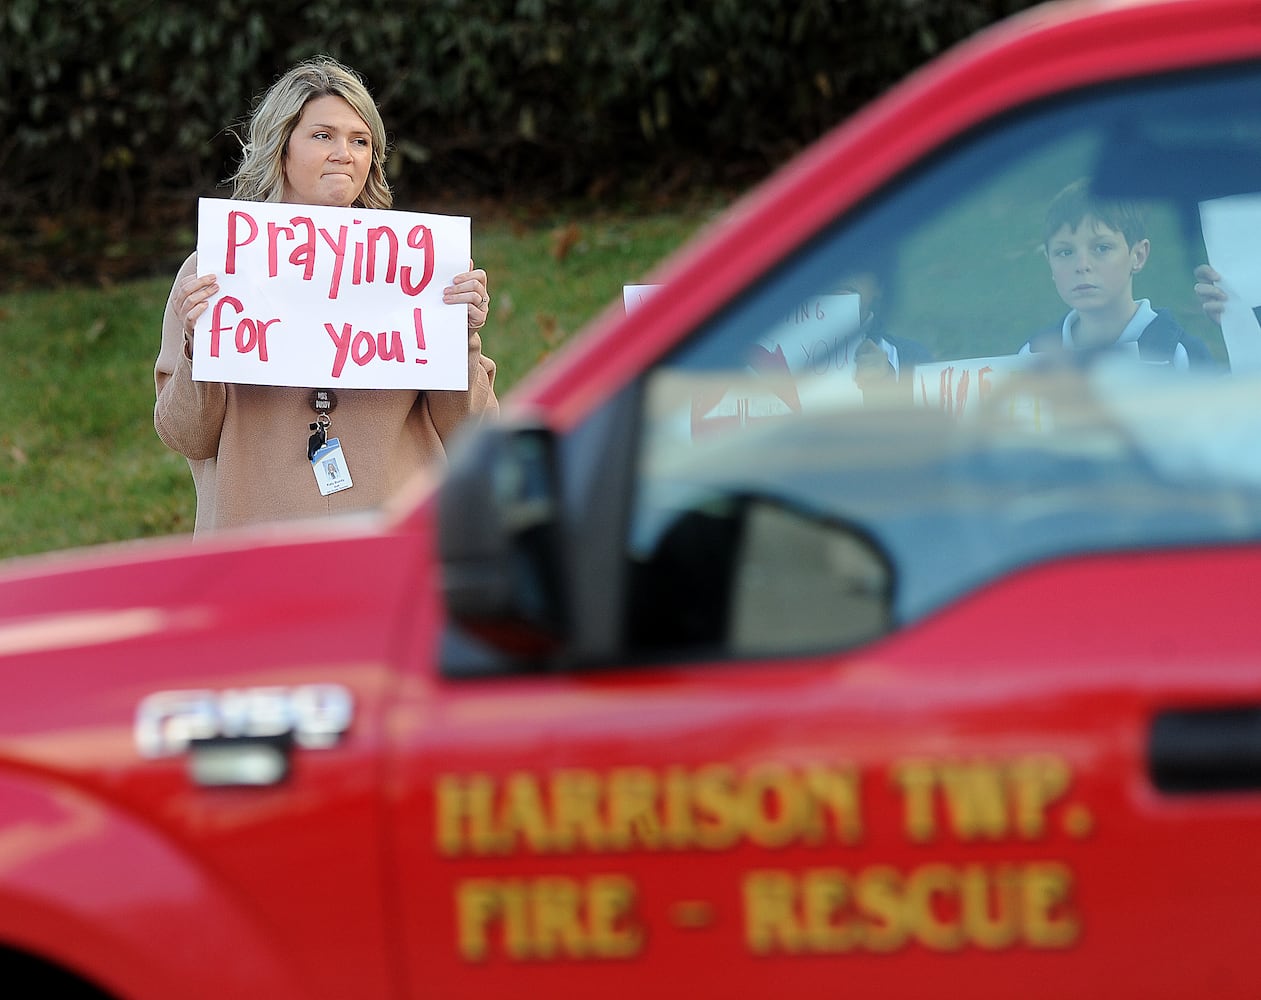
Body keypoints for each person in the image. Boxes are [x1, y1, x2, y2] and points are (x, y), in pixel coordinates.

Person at [155, 57, 498, 534]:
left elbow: (472, 434)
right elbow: (186, 435)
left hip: (395, 545)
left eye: (360, 141)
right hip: (257, 556)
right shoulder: (213, 270)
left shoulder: (419, 269)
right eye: (323, 136)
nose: (345, 153)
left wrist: (460, 337)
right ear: (281, 148)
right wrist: (199, 345)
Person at [1016, 177, 1215, 369]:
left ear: (1138, 255)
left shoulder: (1181, 355)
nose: (1082, 265)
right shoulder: (1032, 356)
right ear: (1050, 262)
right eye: (1065, 252)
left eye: (1102, 248)